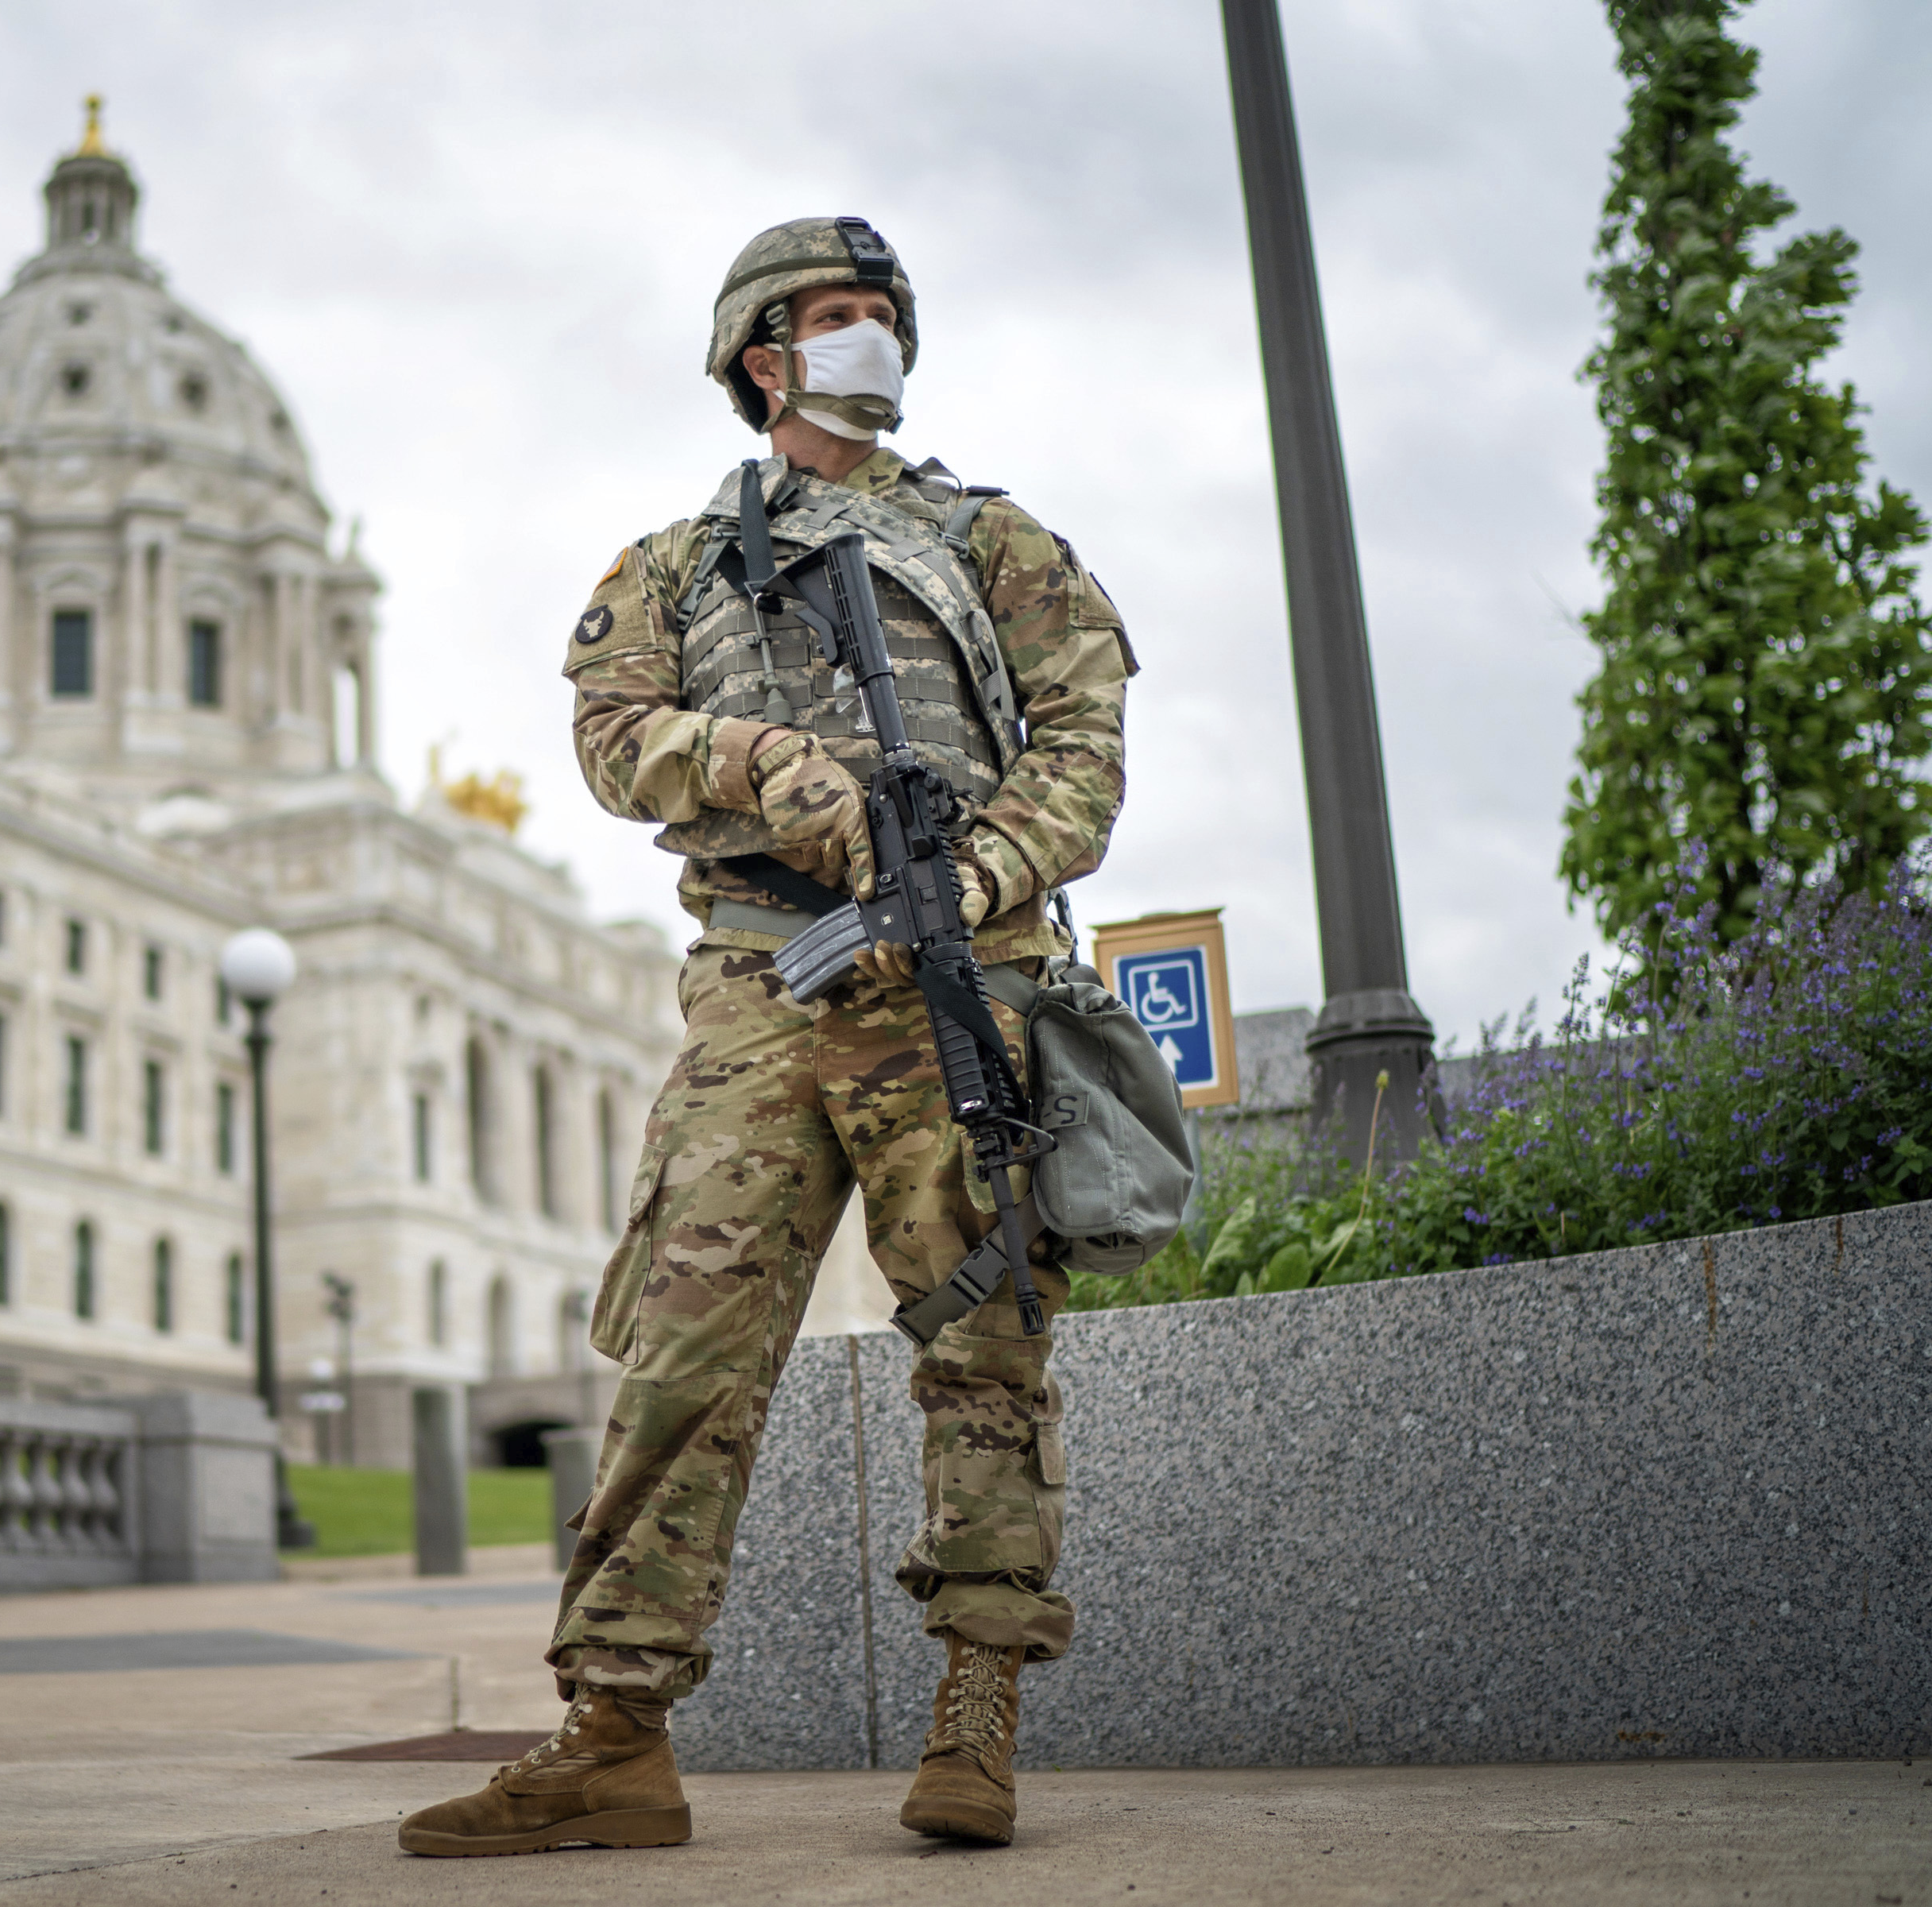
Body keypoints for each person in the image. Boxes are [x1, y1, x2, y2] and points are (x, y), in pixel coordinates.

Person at [398, 215, 1134, 1859]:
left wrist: (993, 863)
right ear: (765, 354)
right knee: (684, 1350)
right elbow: (610, 737)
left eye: (887, 311)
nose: (874, 333)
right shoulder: (672, 564)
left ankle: (977, 1715)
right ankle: (613, 1736)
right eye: (838, 313)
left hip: (962, 982)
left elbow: (1085, 737)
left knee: (985, 1339)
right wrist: (763, 769)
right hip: (762, 983)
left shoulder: (996, 542)